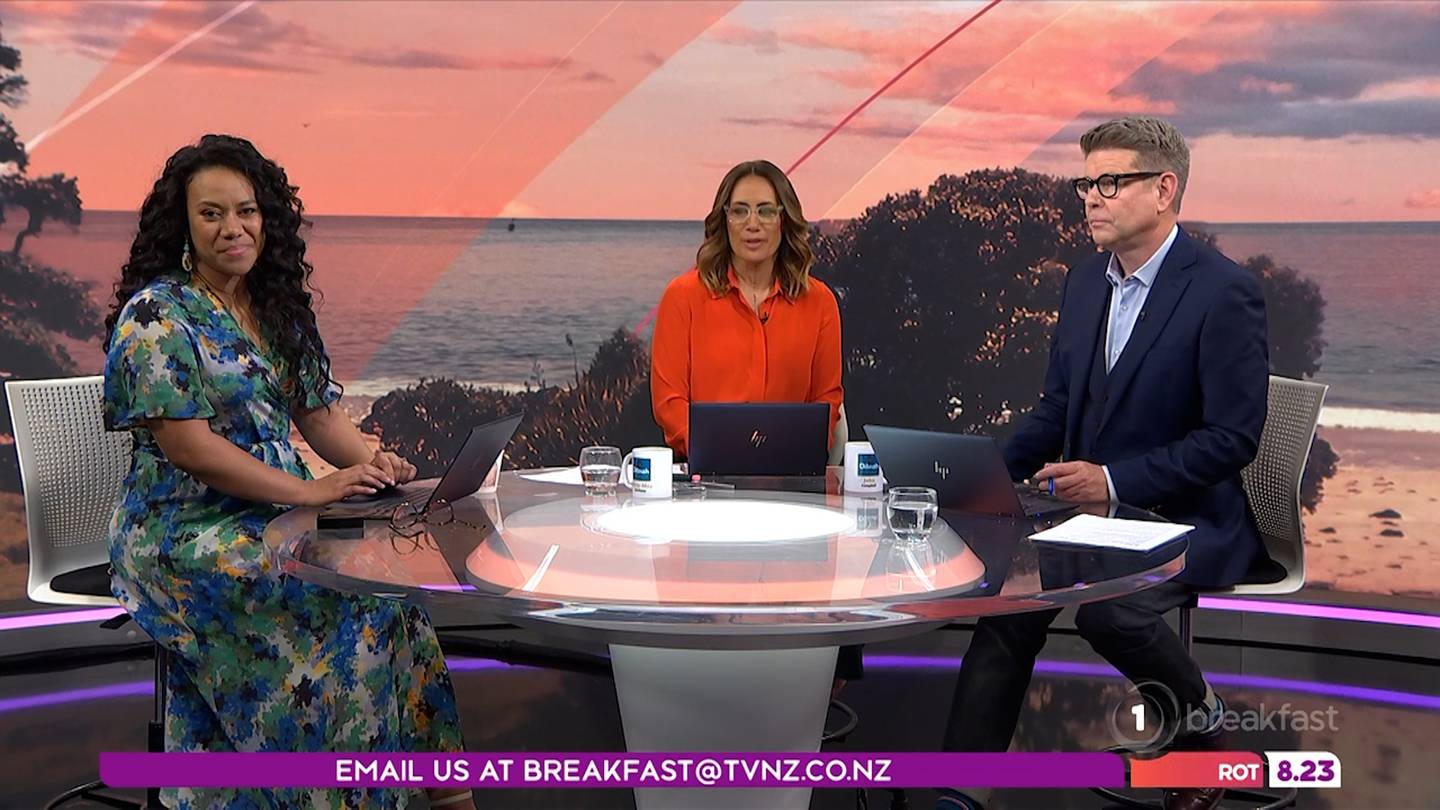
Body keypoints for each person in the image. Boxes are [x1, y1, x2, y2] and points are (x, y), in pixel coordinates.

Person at [102, 134, 474, 810]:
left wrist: (372, 462)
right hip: (181, 532)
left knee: (393, 590)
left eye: (246, 210)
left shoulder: (271, 307)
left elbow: (321, 419)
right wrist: (310, 490)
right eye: (211, 213)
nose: (232, 228)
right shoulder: (156, 316)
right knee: (343, 600)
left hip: (273, 514)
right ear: (182, 223)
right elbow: (189, 448)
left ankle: (440, 795)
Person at [938, 117, 1269, 810]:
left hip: (1186, 518)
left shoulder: (1223, 292)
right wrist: (974, 474)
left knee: (1110, 615)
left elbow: (1232, 439)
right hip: (1092, 520)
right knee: (1010, 604)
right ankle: (960, 793)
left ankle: (1209, 733)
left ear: (1163, 189)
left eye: (1110, 182)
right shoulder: (1086, 283)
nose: (1091, 197)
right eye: (1086, 182)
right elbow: (1056, 410)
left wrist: (1115, 481)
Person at [650, 159, 844, 457]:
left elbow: (827, 399)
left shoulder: (820, 302)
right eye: (740, 211)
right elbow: (668, 402)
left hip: (789, 474)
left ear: (784, 219)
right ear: (724, 220)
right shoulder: (683, 297)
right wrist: (720, 450)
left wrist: (788, 451)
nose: (752, 224)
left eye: (765, 211)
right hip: (706, 474)